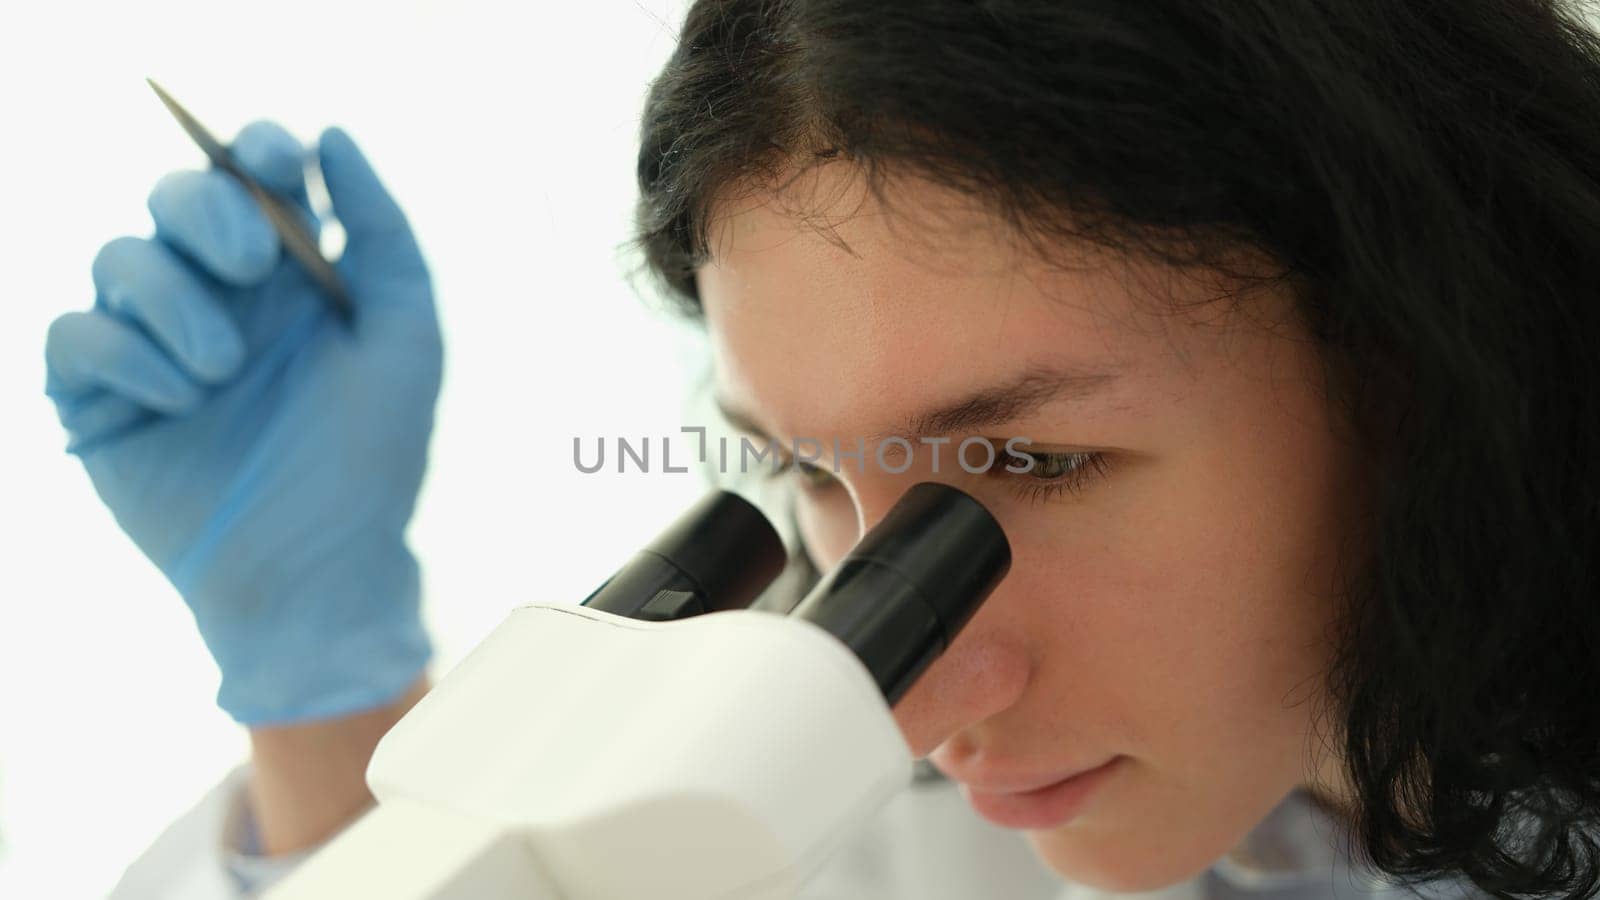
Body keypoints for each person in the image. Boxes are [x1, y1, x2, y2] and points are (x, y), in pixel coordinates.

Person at [44, 1, 1600, 898]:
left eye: (1036, 467)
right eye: (803, 474)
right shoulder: (867, 840)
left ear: (1414, 361)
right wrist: (325, 689)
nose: (910, 698)